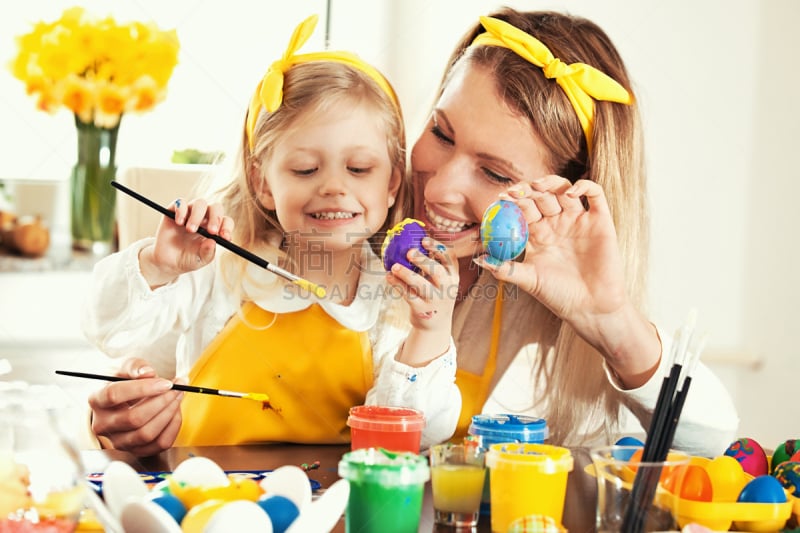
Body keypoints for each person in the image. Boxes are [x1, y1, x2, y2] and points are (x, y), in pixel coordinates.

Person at [80, 14, 461, 456]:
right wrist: (158, 266)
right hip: (205, 502)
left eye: (359, 169)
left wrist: (429, 332)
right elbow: (109, 332)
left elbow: (417, 436)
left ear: (393, 182)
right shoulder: (217, 270)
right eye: (305, 169)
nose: (334, 186)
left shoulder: (394, 301)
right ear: (262, 181)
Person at [410, 8, 738, 457]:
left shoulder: (563, 328)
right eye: (441, 134)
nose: (440, 186)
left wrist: (613, 324)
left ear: (565, 196)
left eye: (494, 173)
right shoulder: (356, 246)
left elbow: (711, 443)